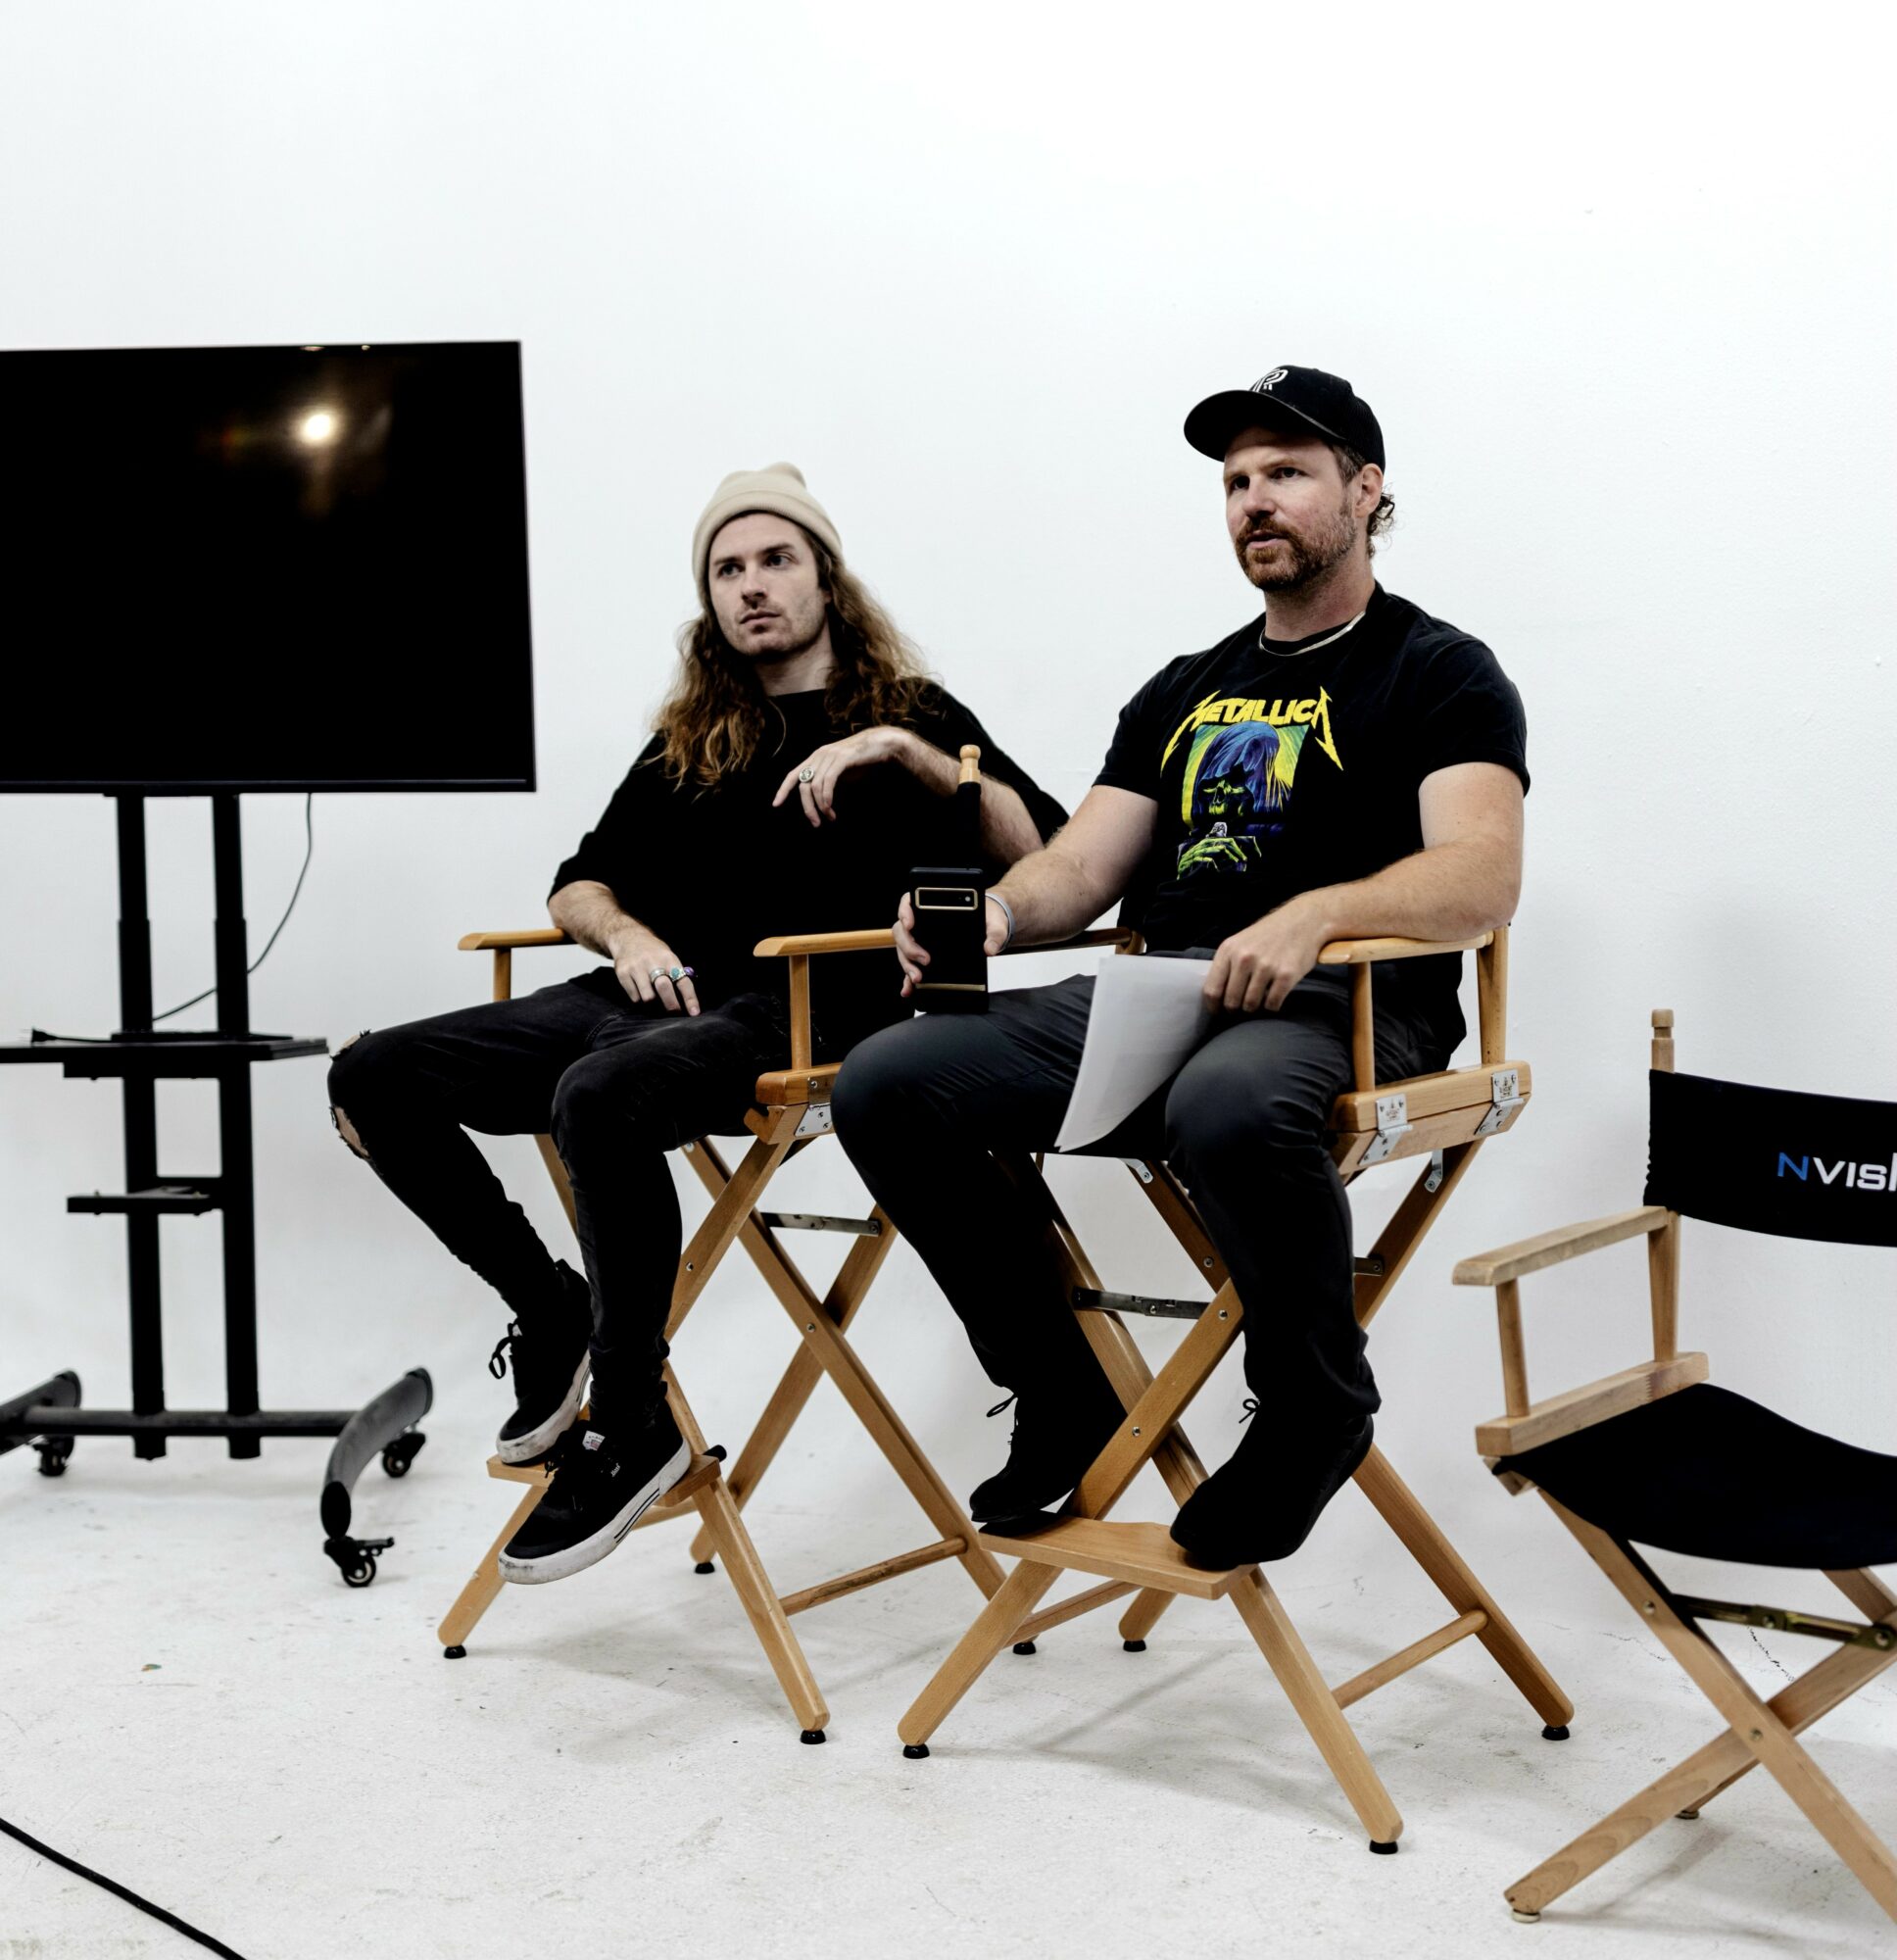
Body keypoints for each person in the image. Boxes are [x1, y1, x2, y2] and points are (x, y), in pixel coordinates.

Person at [832, 368, 1528, 1568]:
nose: (1256, 500)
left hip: (1344, 1005)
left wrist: (1313, 915)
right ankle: (1065, 1390)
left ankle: (1314, 1405)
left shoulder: (1440, 670)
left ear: (1366, 491)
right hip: (1160, 993)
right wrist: (998, 913)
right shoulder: (1184, 687)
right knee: (886, 1080)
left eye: (1288, 473)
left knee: (1228, 1101)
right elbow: (1081, 867)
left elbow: (1481, 873)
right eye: (1236, 481)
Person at [327, 463, 1066, 1584]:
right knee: (372, 1075)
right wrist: (623, 934)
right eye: (728, 568)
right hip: (648, 994)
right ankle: (551, 1305)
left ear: (827, 577)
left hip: (803, 1008)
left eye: (776, 560)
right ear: (708, 596)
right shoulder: (696, 730)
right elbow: (578, 883)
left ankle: (629, 1422)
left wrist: (906, 755)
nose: (751, 586)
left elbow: (1045, 852)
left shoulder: (911, 716)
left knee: (599, 1097)